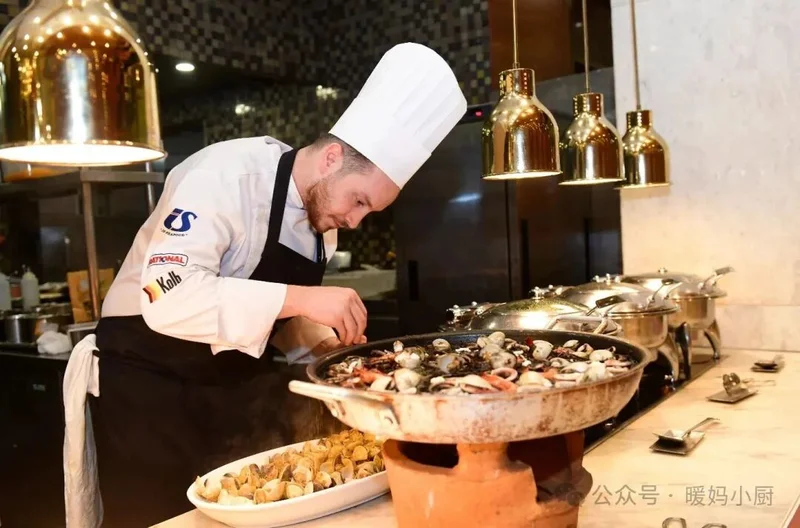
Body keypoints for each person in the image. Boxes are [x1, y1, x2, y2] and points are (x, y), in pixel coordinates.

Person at [62, 41, 467, 528]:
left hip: (225, 386)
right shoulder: (225, 176)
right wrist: (304, 298)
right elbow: (167, 296)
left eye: (369, 211)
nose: (355, 221)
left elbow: (270, 312)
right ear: (332, 157)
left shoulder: (324, 220)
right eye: (359, 201)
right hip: (147, 384)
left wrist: (323, 348)